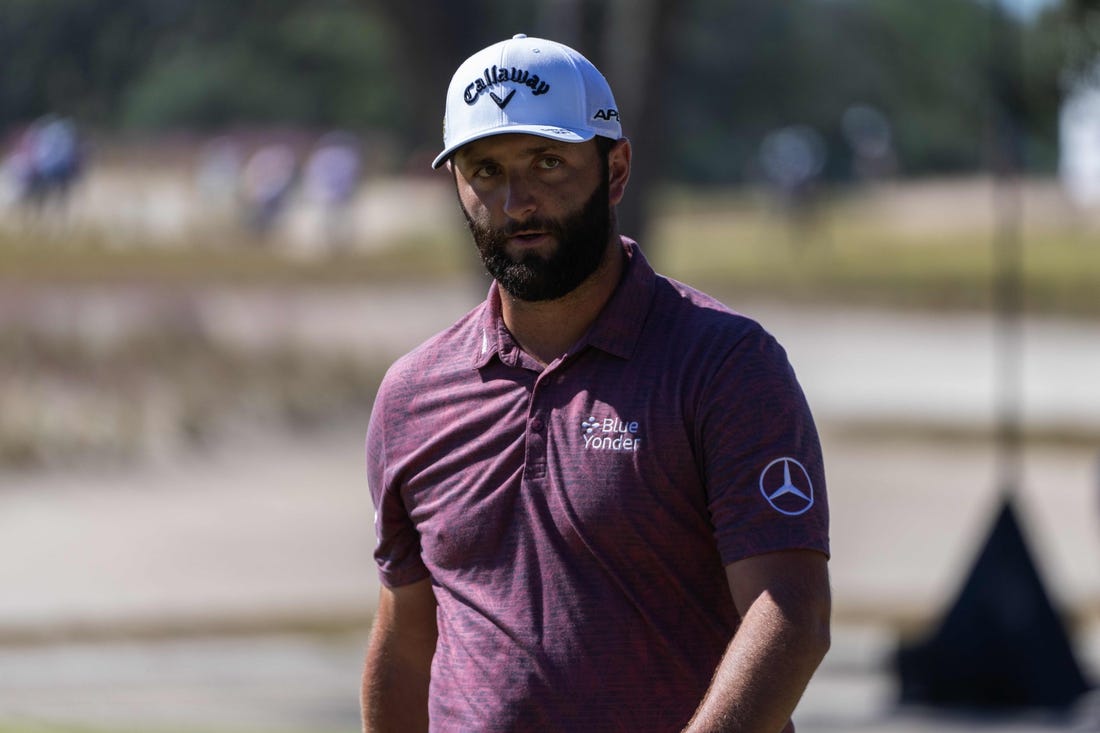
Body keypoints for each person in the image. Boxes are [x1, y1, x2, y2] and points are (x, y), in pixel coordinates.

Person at [362, 34, 830, 733]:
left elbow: (791, 612)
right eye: (484, 169)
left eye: (548, 162)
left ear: (616, 169)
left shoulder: (725, 363)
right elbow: (405, 640)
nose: (517, 200)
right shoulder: (412, 394)